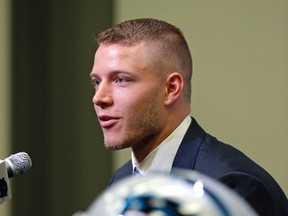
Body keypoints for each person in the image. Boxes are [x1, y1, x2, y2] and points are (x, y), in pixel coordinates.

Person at [89, 18, 288, 215]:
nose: (99, 98)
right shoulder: (123, 182)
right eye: (97, 82)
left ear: (171, 88)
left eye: (121, 80)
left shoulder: (229, 185)